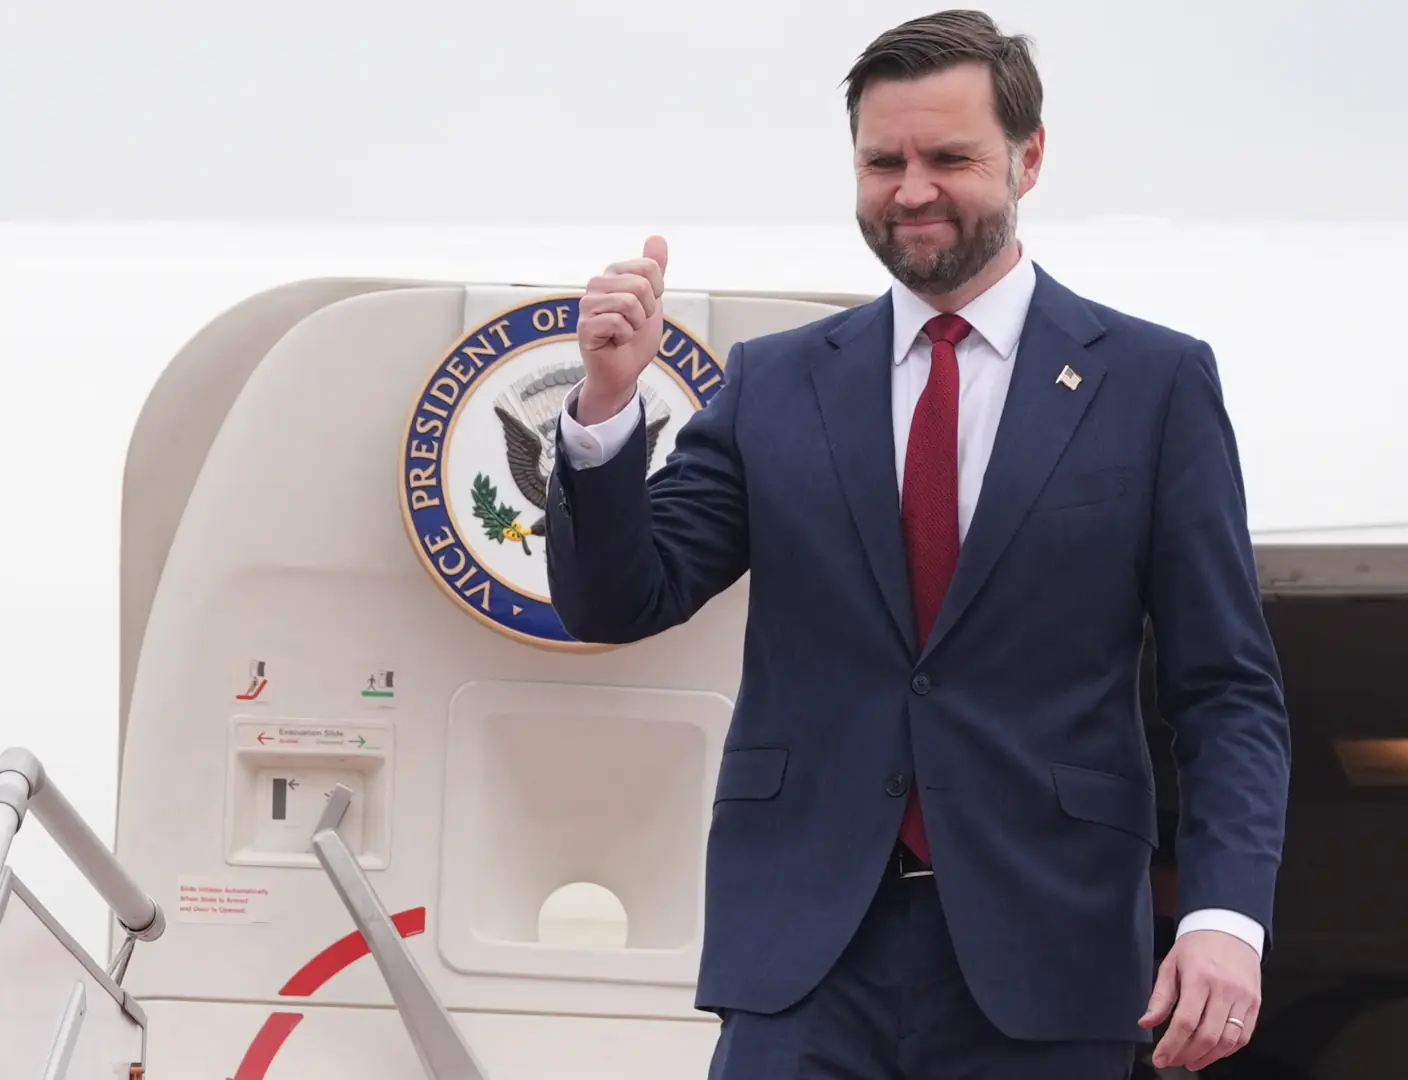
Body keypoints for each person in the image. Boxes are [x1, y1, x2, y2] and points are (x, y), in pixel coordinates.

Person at [544, 9, 1290, 1077]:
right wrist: (607, 405)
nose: (912, 190)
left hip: (1051, 957)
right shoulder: (776, 382)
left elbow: (1226, 689)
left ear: (1030, 158)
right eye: (882, 161)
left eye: (950, 158)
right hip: (803, 959)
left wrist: (1225, 917)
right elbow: (620, 601)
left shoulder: (1153, 384)